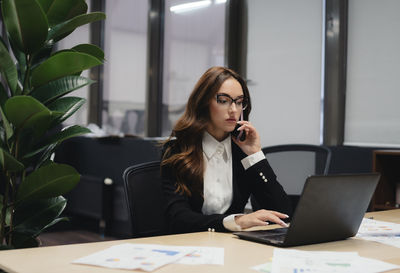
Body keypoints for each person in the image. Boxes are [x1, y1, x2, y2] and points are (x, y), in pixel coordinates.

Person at [161, 66, 292, 234]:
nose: (234, 110)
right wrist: (235, 221)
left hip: (232, 248)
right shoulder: (178, 150)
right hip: (189, 248)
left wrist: (255, 155)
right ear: (204, 103)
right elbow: (178, 219)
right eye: (223, 100)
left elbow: (283, 213)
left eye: (239, 102)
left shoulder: (241, 152)